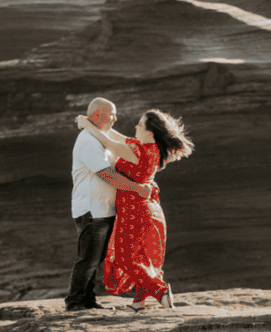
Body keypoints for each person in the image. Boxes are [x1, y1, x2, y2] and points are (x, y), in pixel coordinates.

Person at [74, 106, 194, 310]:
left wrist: (86, 125)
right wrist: (94, 123)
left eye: (139, 124)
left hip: (134, 209)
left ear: (149, 132)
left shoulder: (137, 151)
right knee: (142, 256)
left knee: (126, 258)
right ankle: (138, 303)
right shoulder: (150, 149)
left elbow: (108, 142)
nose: (135, 127)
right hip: (147, 207)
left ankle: (159, 290)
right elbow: (118, 137)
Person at [64, 97, 156, 312]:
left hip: (103, 209)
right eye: (112, 114)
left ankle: (88, 301)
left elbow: (125, 144)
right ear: (98, 116)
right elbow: (107, 175)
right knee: (88, 259)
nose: (116, 118)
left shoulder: (98, 137)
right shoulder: (87, 140)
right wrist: (138, 189)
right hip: (91, 211)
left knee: (95, 260)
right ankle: (75, 302)